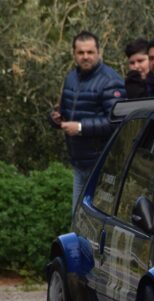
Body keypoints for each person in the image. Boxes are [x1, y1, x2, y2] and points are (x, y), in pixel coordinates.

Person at [48, 31, 125, 212]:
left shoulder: (110, 81)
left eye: (90, 52)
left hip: (102, 166)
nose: (85, 57)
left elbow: (118, 122)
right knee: (78, 219)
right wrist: (54, 118)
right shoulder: (71, 78)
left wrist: (81, 128)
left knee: (96, 222)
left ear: (99, 53)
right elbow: (65, 112)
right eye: (81, 53)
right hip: (79, 163)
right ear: (74, 54)